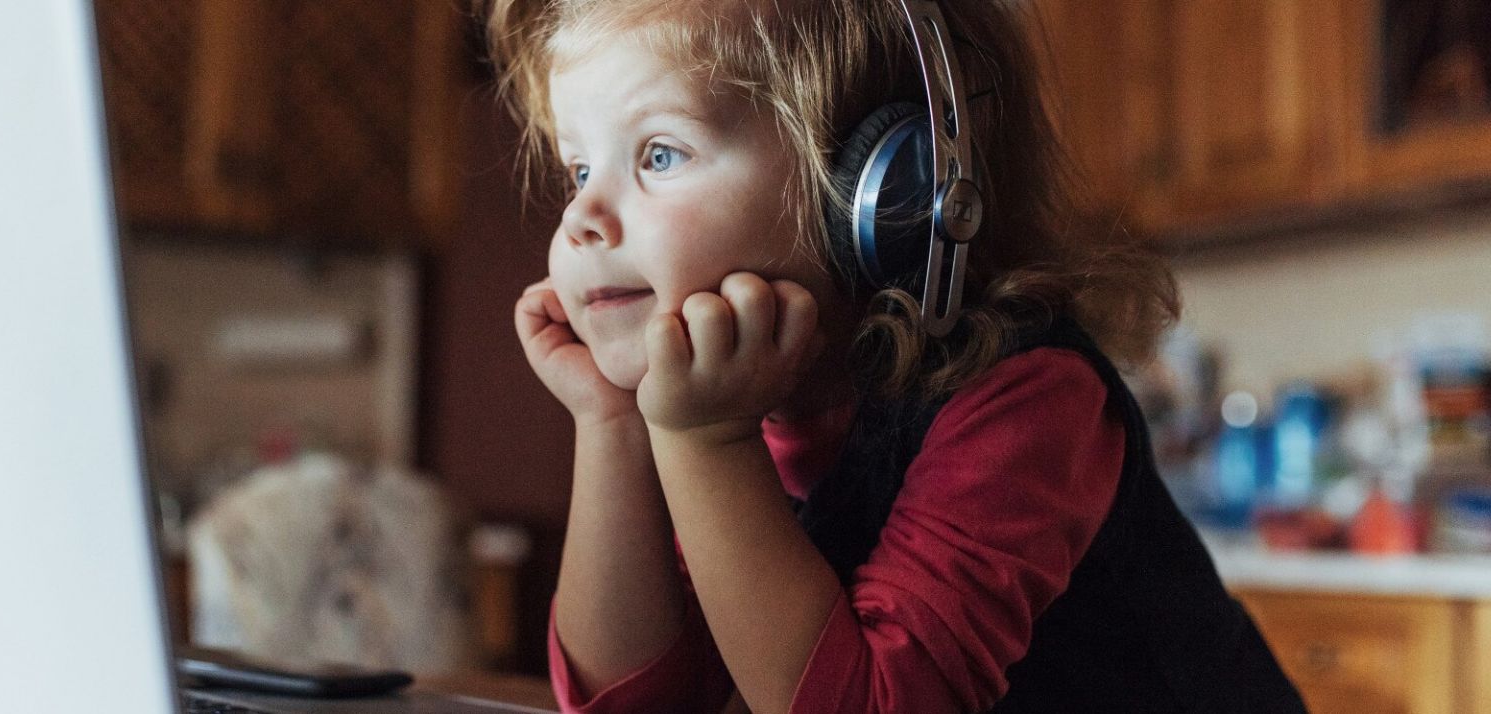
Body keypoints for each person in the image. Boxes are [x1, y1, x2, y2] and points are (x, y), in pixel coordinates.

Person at [485, 0, 1306, 712]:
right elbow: (638, 705)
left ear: (883, 187)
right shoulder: (732, 400)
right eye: (579, 166)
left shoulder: (1029, 397)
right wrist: (613, 422)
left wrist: (706, 446)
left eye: (660, 155)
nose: (582, 218)